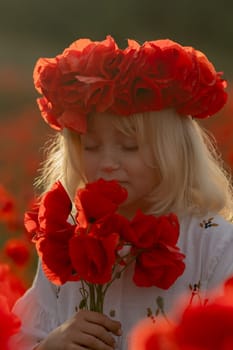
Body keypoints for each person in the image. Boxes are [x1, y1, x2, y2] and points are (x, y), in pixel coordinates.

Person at [10, 36, 233, 350]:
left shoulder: (215, 243)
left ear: (173, 152)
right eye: (91, 146)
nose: (107, 163)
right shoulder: (69, 239)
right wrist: (51, 345)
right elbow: (22, 338)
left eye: (130, 147)